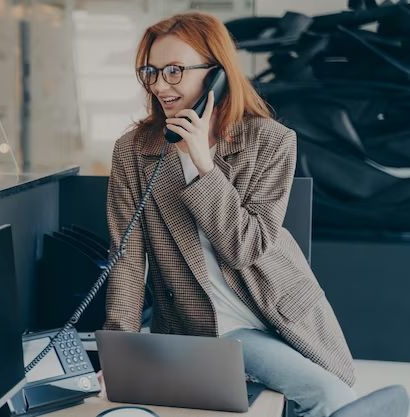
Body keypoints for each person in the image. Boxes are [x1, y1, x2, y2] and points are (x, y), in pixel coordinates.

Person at [101, 11, 357, 417]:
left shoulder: (271, 141)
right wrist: (121, 350)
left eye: (174, 71)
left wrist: (204, 166)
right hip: (209, 325)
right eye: (151, 71)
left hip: (278, 310)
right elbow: (127, 257)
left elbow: (246, 246)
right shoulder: (134, 150)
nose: (159, 85)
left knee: (332, 396)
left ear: (216, 73)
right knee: (325, 396)